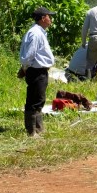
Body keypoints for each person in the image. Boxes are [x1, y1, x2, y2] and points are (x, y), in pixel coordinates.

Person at [19, 7, 56, 137]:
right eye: (48, 16)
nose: (50, 19)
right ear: (42, 18)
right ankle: (31, 131)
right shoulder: (35, 33)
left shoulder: (39, 32)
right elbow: (30, 54)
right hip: (35, 70)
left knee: (39, 99)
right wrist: (24, 68)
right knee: (34, 99)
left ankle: (38, 129)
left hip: (40, 70)